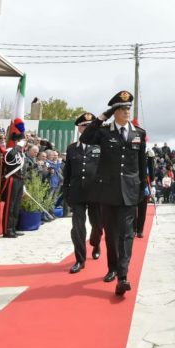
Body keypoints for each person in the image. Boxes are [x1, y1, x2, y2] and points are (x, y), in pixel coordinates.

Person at [80, 90, 147, 297]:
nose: (127, 112)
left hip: (129, 191)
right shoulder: (104, 132)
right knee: (111, 234)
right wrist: (102, 117)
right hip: (107, 191)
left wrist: (143, 184)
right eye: (122, 108)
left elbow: (141, 162)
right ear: (115, 111)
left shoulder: (139, 133)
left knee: (127, 234)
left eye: (128, 108)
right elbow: (87, 136)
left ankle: (123, 277)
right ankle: (112, 268)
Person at [65, 112, 103, 273]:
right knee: (78, 226)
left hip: (96, 193)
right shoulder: (72, 148)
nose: (86, 128)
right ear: (79, 129)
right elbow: (67, 173)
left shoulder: (100, 146)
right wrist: (66, 192)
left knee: (97, 226)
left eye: (89, 126)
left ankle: (96, 243)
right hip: (77, 193)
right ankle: (80, 259)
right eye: (83, 126)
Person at [2, 119, 26, 238]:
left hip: (19, 180)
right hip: (12, 179)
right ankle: (8, 229)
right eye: (22, 140)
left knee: (17, 205)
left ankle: (14, 227)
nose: (24, 142)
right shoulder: (11, 150)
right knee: (10, 206)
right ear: (16, 140)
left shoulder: (21, 152)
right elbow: (9, 158)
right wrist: (17, 147)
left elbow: (22, 169)